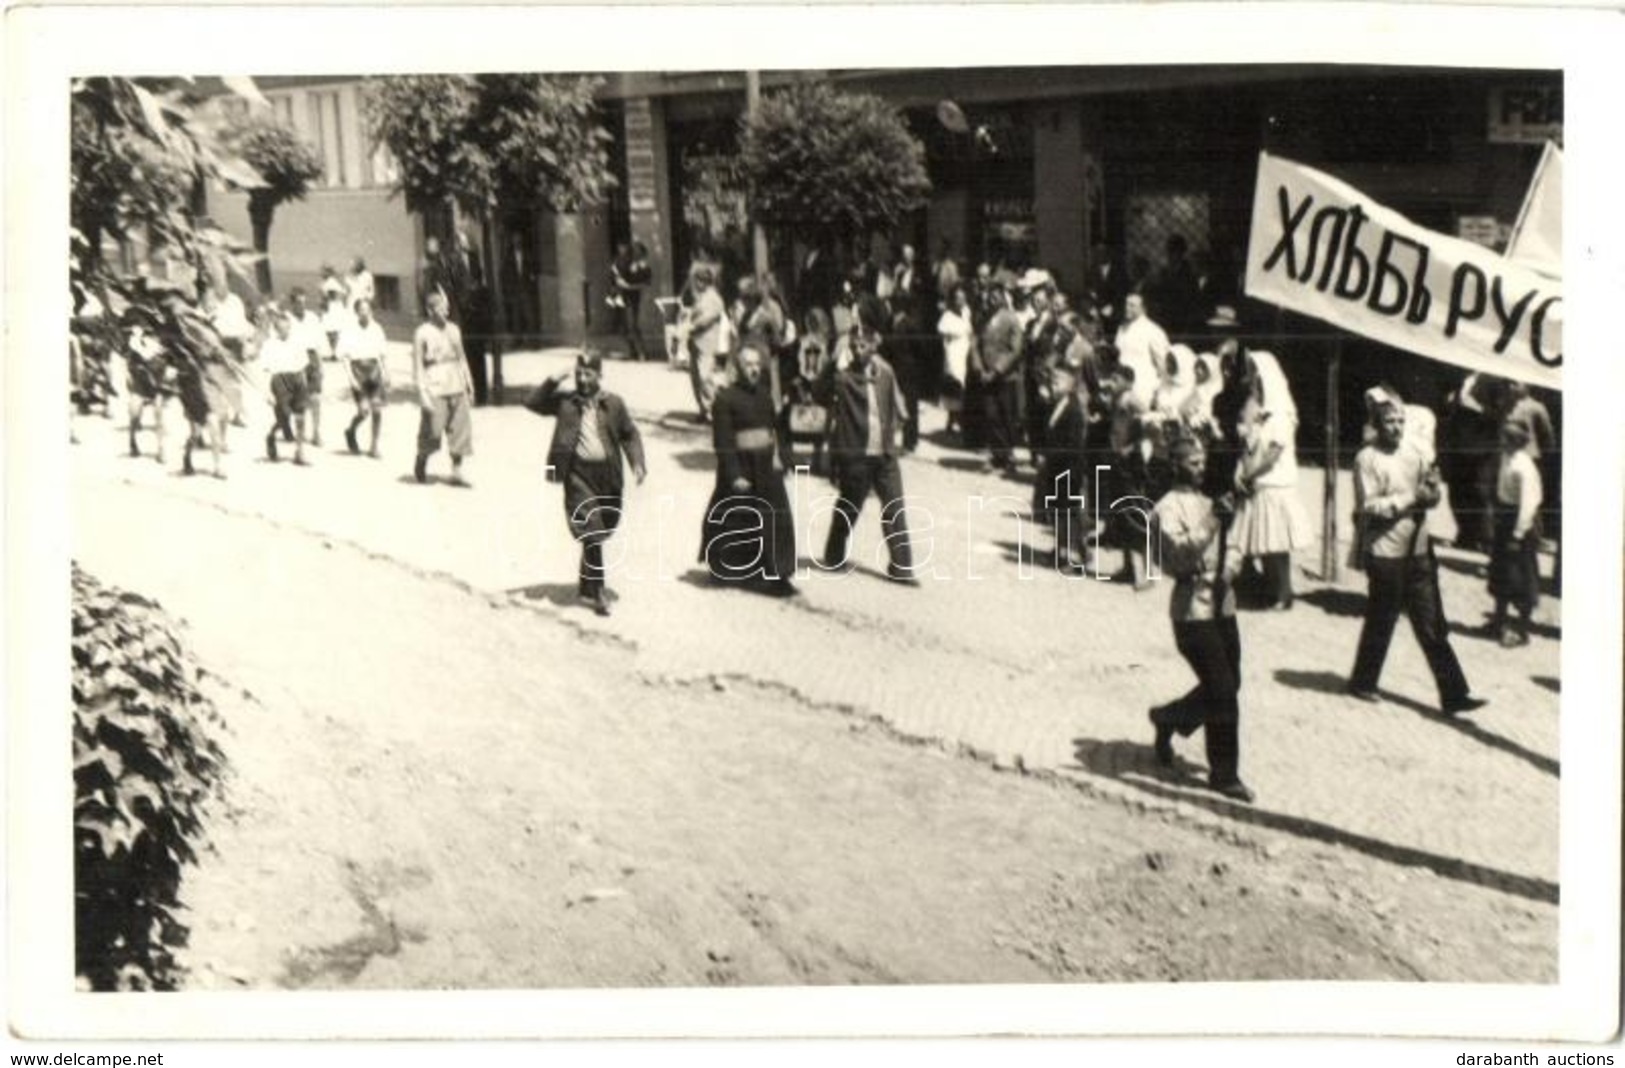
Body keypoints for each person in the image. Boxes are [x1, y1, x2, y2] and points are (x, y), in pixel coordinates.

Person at [1347, 387, 1485, 715]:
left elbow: (1431, 496)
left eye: (1400, 420)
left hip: (1420, 550)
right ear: (1377, 424)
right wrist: (1411, 498)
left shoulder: (1415, 452)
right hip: (1385, 553)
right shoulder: (1366, 459)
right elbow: (1368, 507)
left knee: (1432, 622)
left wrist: (1432, 493)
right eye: (1389, 422)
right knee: (1382, 620)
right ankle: (1363, 681)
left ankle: (1454, 694)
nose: (1396, 427)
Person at [1148, 437, 1254, 804]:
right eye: (1192, 462)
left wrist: (1231, 566)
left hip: (1222, 601)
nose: (1200, 467)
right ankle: (1224, 774)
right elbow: (1179, 554)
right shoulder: (1165, 509)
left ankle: (1169, 718)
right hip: (1191, 610)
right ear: (1175, 465)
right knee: (1221, 686)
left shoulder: (1212, 501)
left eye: (1202, 460)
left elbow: (1236, 542)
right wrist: (1213, 521)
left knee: (1230, 681)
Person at [525, 351, 647, 617]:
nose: (582, 379)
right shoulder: (565, 402)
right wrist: (553, 379)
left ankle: (586, 580)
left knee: (603, 528)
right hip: (576, 474)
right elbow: (532, 402)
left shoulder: (614, 404)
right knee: (591, 531)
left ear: (599, 376)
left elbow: (629, 434)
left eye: (588, 374)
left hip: (608, 476)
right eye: (579, 373)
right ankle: (599, 591)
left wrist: (637, 462)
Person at [815, 296, 916, 584]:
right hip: (856, 453)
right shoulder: (843, 377)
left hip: (884, 452)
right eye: (855, 345)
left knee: (894, 505)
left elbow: (899, 408)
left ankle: (902, 566)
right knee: (850, 504)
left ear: (875, 345)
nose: (860, 350)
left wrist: (896, 434)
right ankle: (834, 554)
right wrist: (832, 364)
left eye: (866, 344)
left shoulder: (885, 372)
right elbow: (818, 394)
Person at [701, 346, 798, 596]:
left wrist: (781, 459)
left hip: (766, 466)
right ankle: (727, 568)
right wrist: (734, 475)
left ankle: (778, 572)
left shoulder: (766, 397)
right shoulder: (725, 399)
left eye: (757, 364)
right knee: (735, 518)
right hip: (741, 467)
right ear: (737, 368)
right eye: (748, 364)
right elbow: (723, 441)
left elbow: (776, 432)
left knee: (776, 517)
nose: (754, 369)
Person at [1229, 349, 1311, 610]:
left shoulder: (1281, 416)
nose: (1253, 382)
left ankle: (1284, 593)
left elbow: (1274, 455)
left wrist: (1249, 474)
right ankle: (1271, 588)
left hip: (1274, 485)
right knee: (1264, 543)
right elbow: (1251, 448)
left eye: (1257, 377)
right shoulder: (1259, 414)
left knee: (1276, 546)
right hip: (1258, 485)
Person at [1484, 412, 1544, 647]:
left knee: (1521, 576)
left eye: (1507, 437)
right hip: (1506, 517)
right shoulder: (1505, 457)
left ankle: (1522, 630)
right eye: (1503, 436)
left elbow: (1529, 504)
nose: (1502, 440)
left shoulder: (1523, 466)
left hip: (1522, 522)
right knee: (1500, 571)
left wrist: (1518, 535)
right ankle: (1498, 621)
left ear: (1518, 441)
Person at [1032, 358, 1092, 573]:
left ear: (1071, 383)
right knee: (1057, 512)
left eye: (1059, 380)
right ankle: (1060, 550)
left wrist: (1049, 456)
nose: (1053, 384)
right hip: (1056, 468)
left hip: (1069, 469)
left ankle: (1074, 557)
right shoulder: (1057, 404)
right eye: (1053, 380)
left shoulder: (1074, 410)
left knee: (1070, 514)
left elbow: (1072, 445)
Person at [411, 290, 475, 486]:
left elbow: (461, 357)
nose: (446, 311)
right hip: (435, 385)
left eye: (447, 307)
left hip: (455, 382)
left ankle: (456, 471)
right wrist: (422, 392)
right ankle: (422, 458)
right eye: (441, 308)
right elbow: (418, 366)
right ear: (430, 310)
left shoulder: (454, 329)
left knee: (460, 430)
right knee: (433, 431)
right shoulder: (422, 333)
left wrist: (469, 382)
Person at [979, 281, 1025, 470]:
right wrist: (981, 369)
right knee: (991, 415)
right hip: (986, 374)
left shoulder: (1011, 319)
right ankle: (995, 454)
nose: (993, 299)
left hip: (1005, 376)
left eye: (997, 295)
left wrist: (997, 370)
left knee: (1007, 415)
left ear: (1004, 297)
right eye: (990, 295)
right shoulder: (984, 319)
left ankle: (1009, 455)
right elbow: (977, 345)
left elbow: (1015, 349)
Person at [338, 298, 390, 458]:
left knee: (377, 409)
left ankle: (374, 446)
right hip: (358, 370)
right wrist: (351, 378)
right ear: (356, 312)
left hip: (374, 371)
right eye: (361, 310)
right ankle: (350, 430)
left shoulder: (377, 329)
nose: (365, 313)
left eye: (368, 309)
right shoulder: (349, 330)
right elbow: (344, 356)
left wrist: (386, 373)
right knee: (363, 411)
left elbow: (382, 355)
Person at [259, 307, 310, 466]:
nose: (285, 331)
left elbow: (302, 366)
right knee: (284, 417)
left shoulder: (297, 342)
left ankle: (299, 452)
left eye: (287, 327)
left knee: (301, 417)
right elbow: (266, 370)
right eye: (281, 328)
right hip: (279, 380)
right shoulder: (269, 345)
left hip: (297, 379)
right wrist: (267, 392)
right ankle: (271, 436)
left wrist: (304, 384)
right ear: (276, 329)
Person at [686, 265, 729, 423]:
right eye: (697, 280)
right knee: (696, 377)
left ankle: (712, 409)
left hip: (708, 342)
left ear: (706, 281)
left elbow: (707, 318)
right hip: (696, 341)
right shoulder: (701, 297)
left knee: (705, 377)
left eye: (700, 280)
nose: (697, 284)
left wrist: (691, 326)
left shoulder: (714, 298)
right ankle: (703, 409)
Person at [1113, 291, 1169, 408]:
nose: (1127, 308)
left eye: (1132, 305)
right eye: (1126, 304)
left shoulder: (1153, 330)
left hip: (1142, 390)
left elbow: (1163, 364)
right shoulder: (1121, 329)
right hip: (1121, 389)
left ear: (1143, 308)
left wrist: (1159, 390)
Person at [287, 288, 328, 448]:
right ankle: (297, 432)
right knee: (299, 401)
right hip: (295, 360)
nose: (302, 306)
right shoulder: (287, 320)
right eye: (298, 303)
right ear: (293, 304)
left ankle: (316, 432)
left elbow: (318, 343)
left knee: (316, 398)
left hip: (312, 359)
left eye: (304, 302)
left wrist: (321, 366)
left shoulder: (312, 318)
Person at [936, 284, 975, 437]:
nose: (961, 300)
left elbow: (969, 330)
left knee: (964, 387)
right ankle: (952, 421)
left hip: (966, 351)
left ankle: (959, 421)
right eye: (957, 298)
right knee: (954, 386)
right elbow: (943, 334)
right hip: (954, 354)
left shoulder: (967, 312)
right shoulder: (947, 316)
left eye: (963, 297)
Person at [611, 241, 652, 362]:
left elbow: (646, 283)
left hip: (634, 299)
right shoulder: (623, 263)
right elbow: (617, 279)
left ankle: (642, 352)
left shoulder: (644, 267)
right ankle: (633, 351)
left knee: (633, 325)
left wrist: (629, 286)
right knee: (625, 326)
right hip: (622, 297)